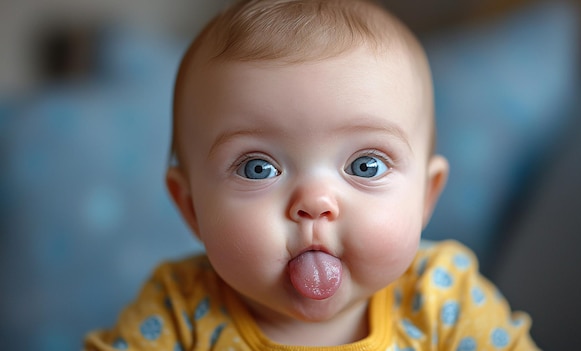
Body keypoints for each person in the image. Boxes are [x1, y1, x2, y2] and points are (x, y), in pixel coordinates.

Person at [84, 0, 539, 349]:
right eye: (258, 167)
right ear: (191, 209)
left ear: (425, 195)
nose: (315, 201)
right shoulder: (178, 311)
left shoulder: (444, 299)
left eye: (365, 166)